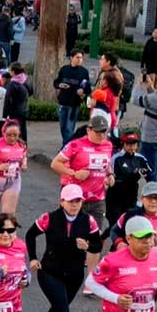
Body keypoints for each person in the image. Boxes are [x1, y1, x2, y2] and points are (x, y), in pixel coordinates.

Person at [27, 185, 103, 312]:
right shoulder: (49, 218)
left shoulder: (89, 221)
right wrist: (33, 258)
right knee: (63, 309)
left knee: (60, 308)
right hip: (49, 271)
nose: (75, 205)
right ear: (62, 202)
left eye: (78, 201)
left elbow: (97, 246)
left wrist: (87, 246)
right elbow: (30, 235)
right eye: (71, 201)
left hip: (74, 274)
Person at [51, 110, 115, 276]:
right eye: (98, 132)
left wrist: (110, 176)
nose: (102, 136)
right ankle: (62, 264)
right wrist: (74, 173)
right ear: (89, 130)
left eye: (104, 132)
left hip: (98, 197)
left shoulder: (108, 145)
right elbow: (55, 164)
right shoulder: (75, 145)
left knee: (94, 237)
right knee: (70, 234)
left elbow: (107, 165)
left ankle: (92, 277)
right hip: (75, 198)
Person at [108, 181, 157, 281]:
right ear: (142, 199)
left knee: (151, 291)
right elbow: (114, 231)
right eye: (149, 198)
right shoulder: (130, 215)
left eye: (156, 198)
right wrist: (119, 243)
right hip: (131, 261)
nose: (153, 202)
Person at [105, 131, 150, 223]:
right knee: (115, 222)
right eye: (129, 144)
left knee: (130, 220)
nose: (132, 147)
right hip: (116, 194)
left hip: (132, 193)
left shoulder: (141, 158)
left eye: (134, 144)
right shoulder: (116, 158)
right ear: (123, 144)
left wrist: (144, 173)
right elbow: (110, 175)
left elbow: (149, 173)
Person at [54, 51, 91, 145]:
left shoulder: (84, 72)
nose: (80, 60)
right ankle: (67, 145)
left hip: (74, 104)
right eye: (77, 57)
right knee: (63, 128)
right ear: (71, 58)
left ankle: (65, 148)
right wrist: (60, 85)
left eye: (81, 58)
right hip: (62, 103)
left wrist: (83, 91)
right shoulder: (64, 69)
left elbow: (87, 87)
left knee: (69, 129)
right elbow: (56, 82)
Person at [1, 63, 31, 142]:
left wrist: (5, 115)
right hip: (24, 109)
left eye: (10, 70)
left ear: (13, 72)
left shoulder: (13, 84)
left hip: (15, 111)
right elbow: (31, 91)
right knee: (23, 130)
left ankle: (17, 147)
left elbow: (7, 100)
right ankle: (24, 146)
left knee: (15, 130)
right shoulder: (25, 79)